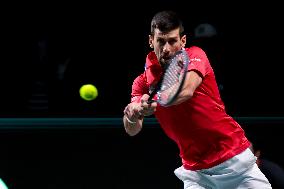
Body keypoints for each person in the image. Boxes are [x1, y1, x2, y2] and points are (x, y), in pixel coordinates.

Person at [122, 10, 272, 188]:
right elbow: (132, 129)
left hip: (235, 162)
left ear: (183, 40)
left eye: (172, 41)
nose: (166, 48)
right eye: (161, 41)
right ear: (150, 41)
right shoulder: (142, 82)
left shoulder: (195, 54)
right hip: (196, 174)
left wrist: (157, 98)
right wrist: (133, 113)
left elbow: (186, 90)